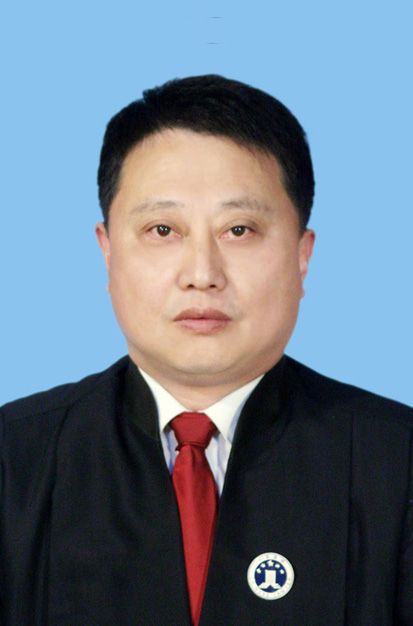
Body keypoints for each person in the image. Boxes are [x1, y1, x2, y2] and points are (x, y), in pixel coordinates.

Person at [0, 74, 412, 626]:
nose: (202, 273)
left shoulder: (398, 465)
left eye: (238, 230)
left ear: (302, 255)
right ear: (107, 251)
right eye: (162, 229)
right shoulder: (14, 462)